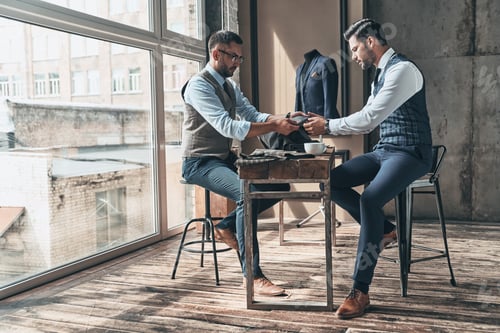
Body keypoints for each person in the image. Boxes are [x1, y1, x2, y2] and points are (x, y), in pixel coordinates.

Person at [303, 18, 433, 319]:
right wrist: (321, 122)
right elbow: (369, 118)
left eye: (355, 49)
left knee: (370, 199)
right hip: (385, 150)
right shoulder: (380, 75)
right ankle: (386, 230)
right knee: (329, 181)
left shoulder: (402, 70)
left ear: (371, 42)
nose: (354, 56)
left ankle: (360, 291)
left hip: (411, 153)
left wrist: (329, 125)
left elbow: (370, 118)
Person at [181, 30, 302, 296]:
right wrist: (274, 126)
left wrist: (286, 118)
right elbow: (229, 127)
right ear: (216, 54)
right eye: (234, 57)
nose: (237, 62)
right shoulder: (199, 86)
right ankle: (253, 276)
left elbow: (252, 113)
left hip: (224, 159)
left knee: (277, 187)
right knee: (246, 193)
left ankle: (225, 226)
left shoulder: (229, 86)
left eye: (240, 58)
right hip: (199, 162)